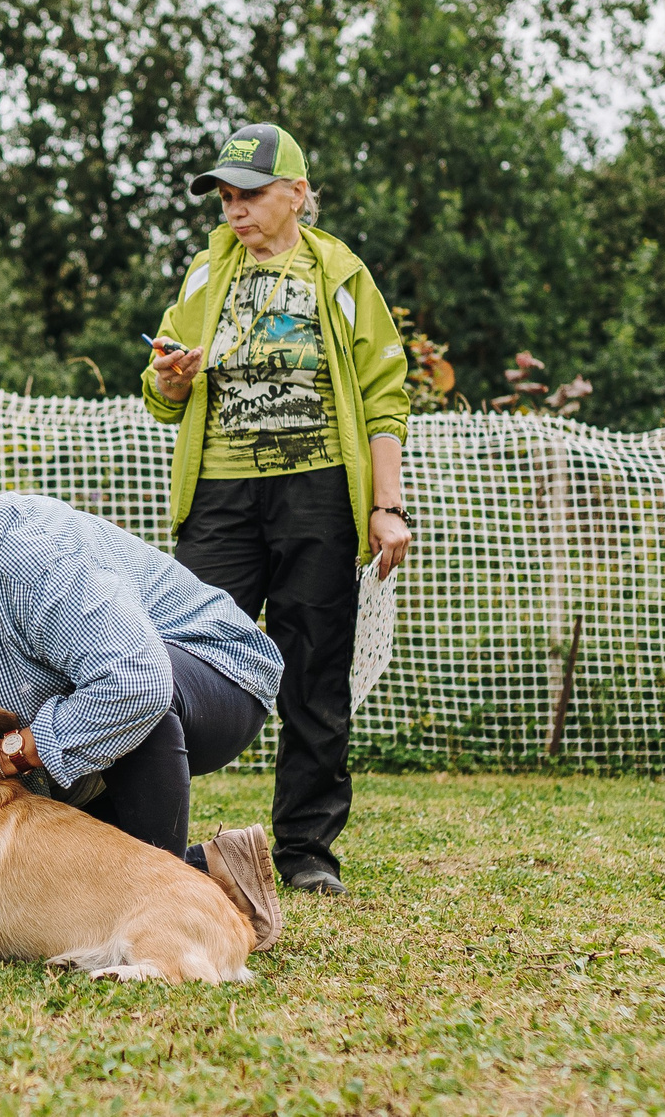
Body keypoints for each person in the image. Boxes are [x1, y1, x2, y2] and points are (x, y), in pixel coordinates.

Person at [0, 427, 287, 942]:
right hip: (74, 706)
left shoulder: (34, 555)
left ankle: (160, 906)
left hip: (211, 673)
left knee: (137, 716)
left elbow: (136, 685)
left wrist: (3, 754)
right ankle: (214, 872)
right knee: (58, 861)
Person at [142, 122, 412, 896]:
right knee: (175, 658)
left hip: (319, 490)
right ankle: (154, 836)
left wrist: (384, 507)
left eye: (250, 195)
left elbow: (386, 394)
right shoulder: (205, 273)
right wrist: (168, 380)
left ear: (297, 194)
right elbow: (161, 384)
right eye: (226, 197)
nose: (235, 211)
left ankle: (305, 854)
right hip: (220, 497)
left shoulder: (340, 272)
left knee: (315, 672)